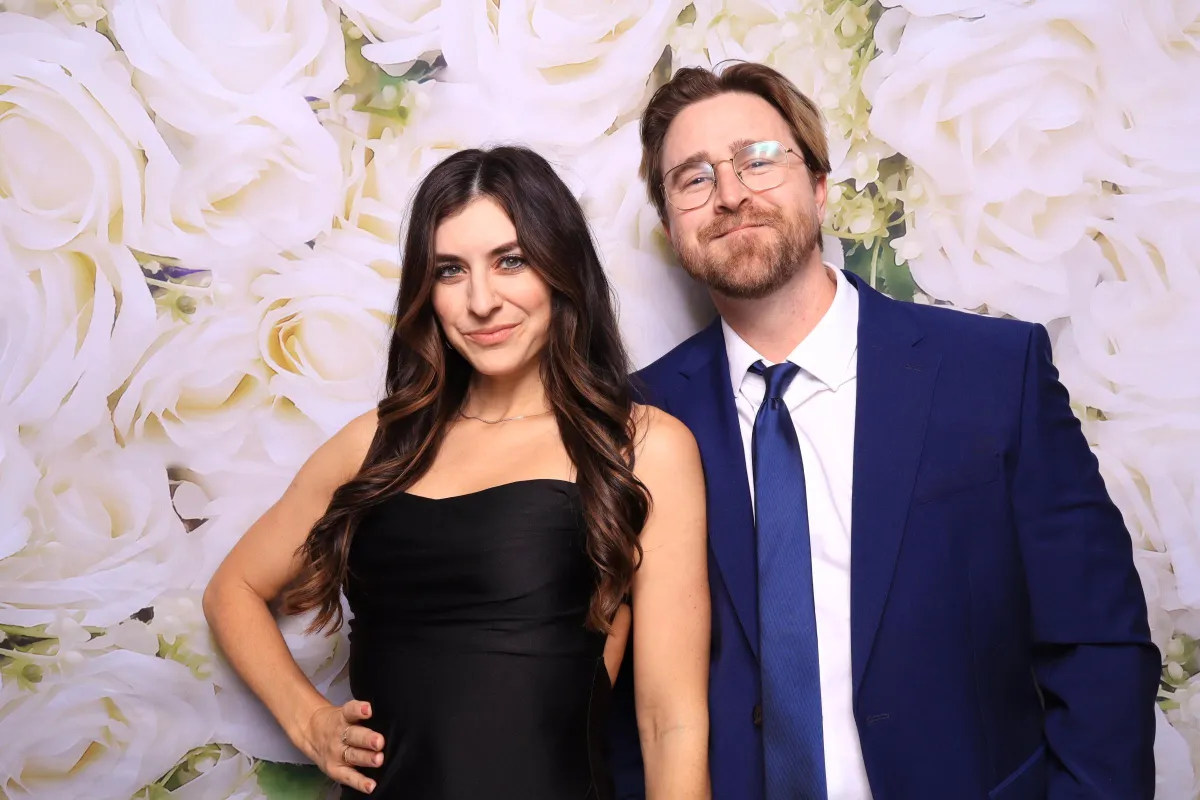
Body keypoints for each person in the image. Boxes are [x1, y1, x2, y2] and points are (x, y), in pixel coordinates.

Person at [608, 62, 1161, 800]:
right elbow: (607, 696)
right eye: (693, 178)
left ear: (820, 184)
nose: (731, 193)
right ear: (671, 222)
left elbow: (1098, 644)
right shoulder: (637, 423)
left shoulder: (993, 375)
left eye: (758, 160)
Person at [203, 146, 711, 800]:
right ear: (426, 291)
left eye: (511, 261)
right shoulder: (376, 444)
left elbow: (671, 722)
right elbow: (233, 589)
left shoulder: (644, 447)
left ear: (561, 268)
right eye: (450, 270)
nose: (481, 301)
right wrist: (308, 721)